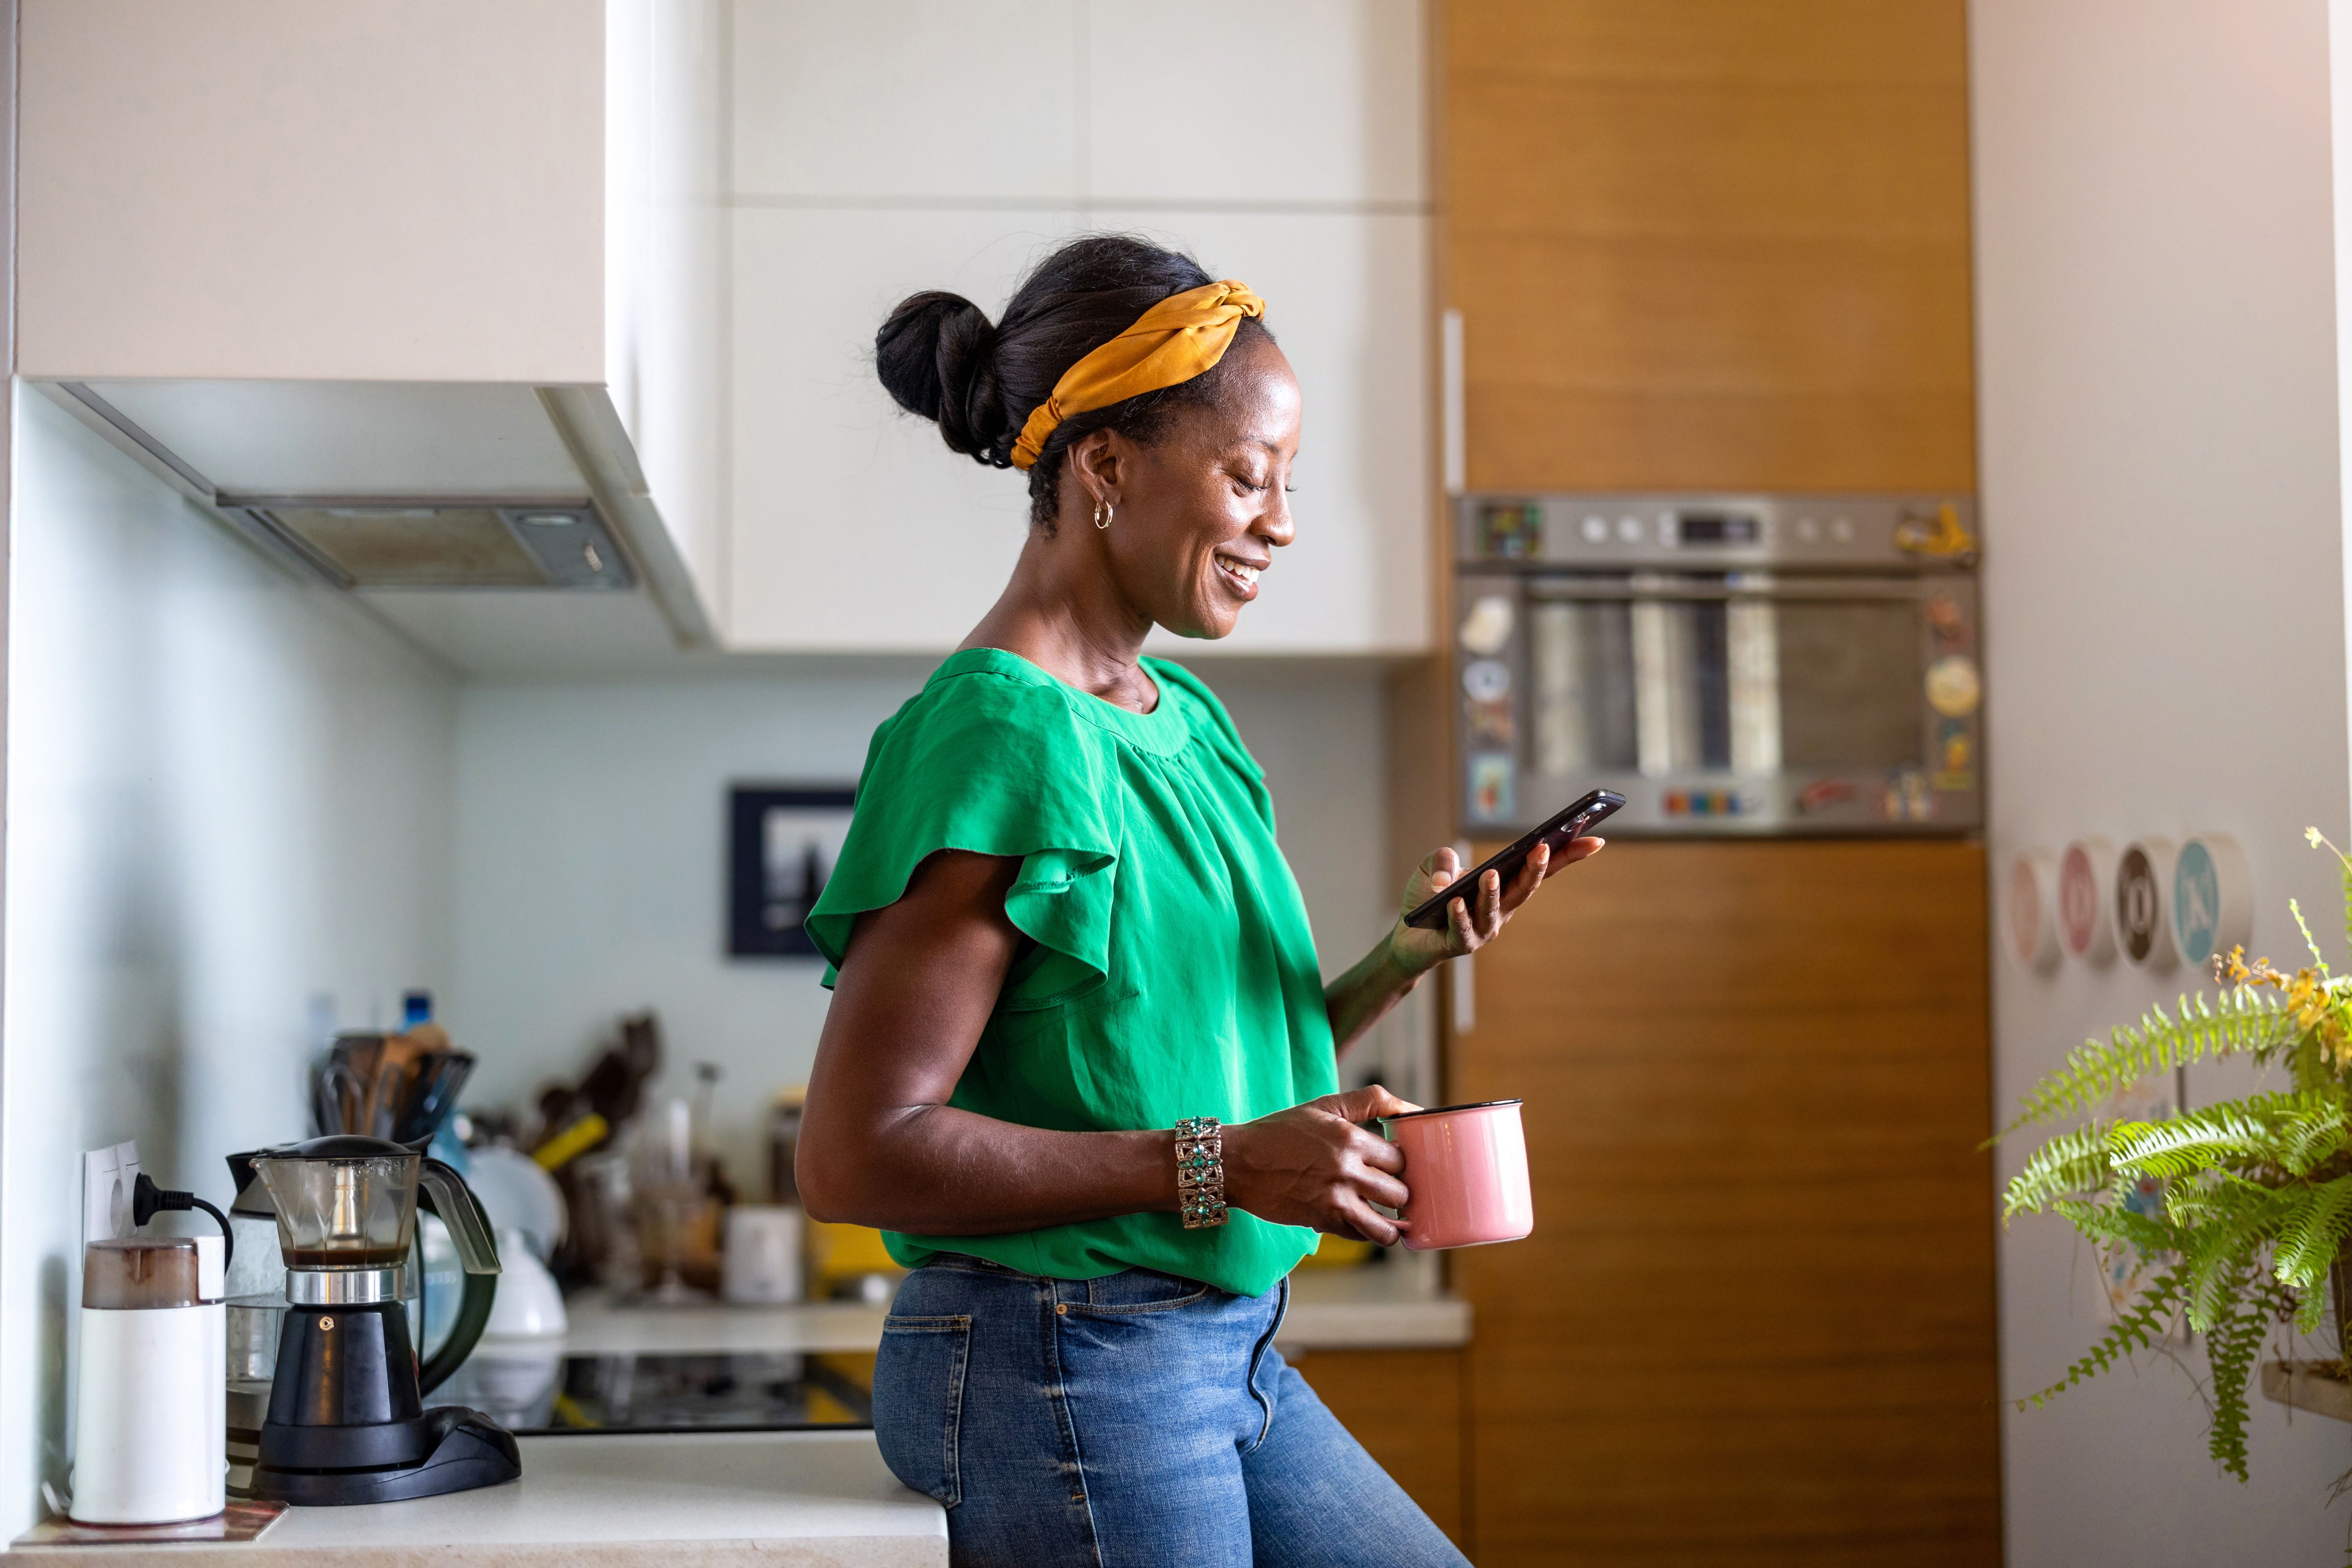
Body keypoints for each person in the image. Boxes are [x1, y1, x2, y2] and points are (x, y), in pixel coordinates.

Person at [797, 234, 1601, 1567]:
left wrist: (1399, 960)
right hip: (1058, 1354)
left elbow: (1177, 1063)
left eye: (1290, 483)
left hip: (1220, 1349)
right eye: (1248, 476)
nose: (1281, 522)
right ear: (1107, 470)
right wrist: (1220, 1167)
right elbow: (854, 1151)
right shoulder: (999, 735)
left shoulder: (1193, 726)